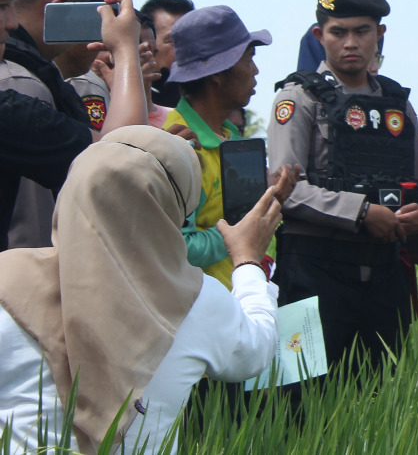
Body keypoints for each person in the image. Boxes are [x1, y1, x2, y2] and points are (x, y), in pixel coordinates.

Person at [0, 126, 285, 454]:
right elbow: (254, 352)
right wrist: (247, 261)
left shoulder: (7, 279)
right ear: (174, 210)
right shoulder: (197, 301)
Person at [267, 0, 418, 375]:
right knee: (299, 395)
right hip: (313, 269)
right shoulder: (298, 98)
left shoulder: (397, 104)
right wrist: (361, 212)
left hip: (383, 271)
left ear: (379, 34)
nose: (350, 43)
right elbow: (285, 190)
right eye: (337, 32)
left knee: (376, 399)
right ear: (319, 35)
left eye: (362, 32)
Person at [2, 0, 147, 249]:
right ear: (63, 8)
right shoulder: (22, 85)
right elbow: (118, 166)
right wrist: (125, 52)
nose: (11, 22)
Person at [164, 5, 296, 287]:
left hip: (233, 306)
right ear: (217, 74)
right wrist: (244, 230)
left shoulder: (230, 139)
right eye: (249, 58)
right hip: (200, 314)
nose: (256, 70)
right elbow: (179, 247)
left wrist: (270, 197)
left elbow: (237, 217)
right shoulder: (179, 145)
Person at [140, 0, 195, 109]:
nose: (187, 50)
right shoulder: (124, 97)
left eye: (191, 41)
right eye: (174, 41)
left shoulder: (211, 103)